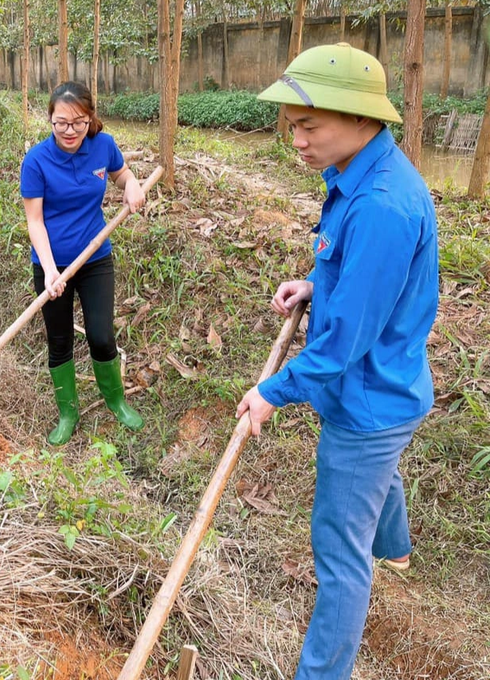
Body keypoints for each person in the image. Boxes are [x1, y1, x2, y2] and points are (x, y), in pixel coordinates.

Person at [236, 43, 439, 680]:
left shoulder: (381, 203)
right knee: (383, 479)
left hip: (367, 403)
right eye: (292, 126)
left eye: (308, 126)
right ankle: (396, 546)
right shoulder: (361, 177)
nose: (296, 140)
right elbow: (364, 284)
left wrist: (273, 390)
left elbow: (343, 344)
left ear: (360, 119)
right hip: (388, 380)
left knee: (340, 560)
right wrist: (316, 286)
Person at [20, 81, 146, 445]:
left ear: (90, 118)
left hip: (94, 258)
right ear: (50, 120)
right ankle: (67, 412)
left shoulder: (102, 146)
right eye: (61, 123)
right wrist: (49, 270)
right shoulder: (37, 161)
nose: (69, 131)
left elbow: (120, 173)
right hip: (52, 264)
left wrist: (131, 183)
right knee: (59, 341)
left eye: (78, 122)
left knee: (102, 336)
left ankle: (116, 401)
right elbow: (35, 221)